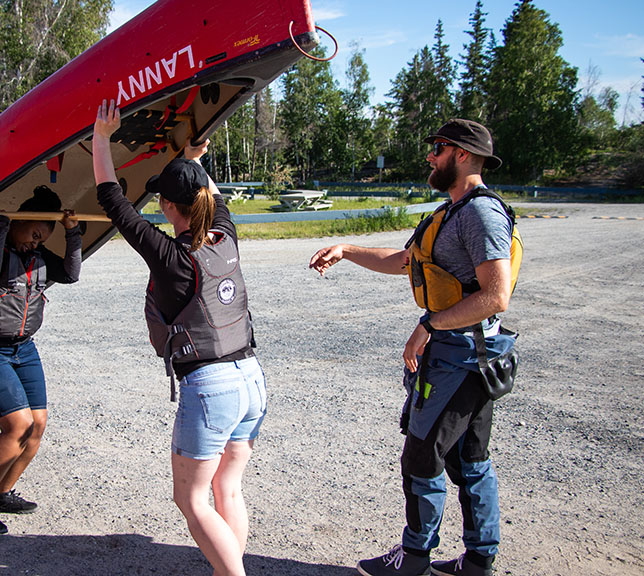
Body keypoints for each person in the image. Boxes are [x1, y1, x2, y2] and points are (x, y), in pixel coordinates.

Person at [310, 119, 518, 576]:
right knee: (469, 459)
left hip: (463, 358)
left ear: (462, 155)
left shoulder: (481, 214)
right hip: (463, 354)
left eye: (438, 148)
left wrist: (429, 324)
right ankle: (479, 559)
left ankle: (415, 558)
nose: (430, 156)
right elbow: (404, 262)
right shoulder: (450, 212)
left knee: (423, 456)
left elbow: (495, 295)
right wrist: (345, 249)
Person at [93, 99, 267, 576]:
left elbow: (113, 201)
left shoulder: (171, 258)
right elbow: (213, 196)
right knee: (227, 490)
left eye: (161, 201)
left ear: (170, 207)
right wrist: (192, 160)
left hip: (211, 388)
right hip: (252, 379)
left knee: (190, 500)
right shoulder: (226, 236)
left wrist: (102, 136)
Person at [0, 185, 81, 535]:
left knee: (37, 425)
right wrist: (2, 228)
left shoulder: (36, 258)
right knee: (18, 426)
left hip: (23, 348)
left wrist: (72, 234)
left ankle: (1, 494)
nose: (36, 244)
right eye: (35, 234)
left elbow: (70, 274)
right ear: (21, 221)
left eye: (42, 240)